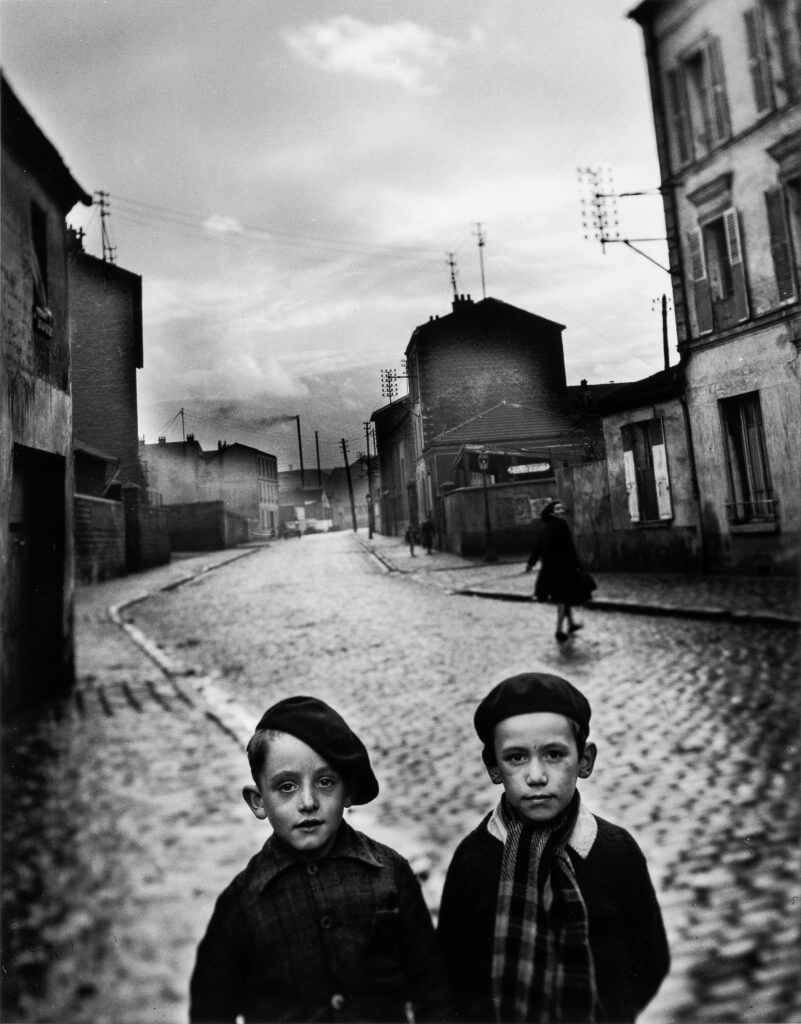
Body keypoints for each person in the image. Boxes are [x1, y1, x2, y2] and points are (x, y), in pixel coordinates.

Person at [189, 695, 452, 1023]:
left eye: (325, 782)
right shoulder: (243, 901)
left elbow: (432, 990)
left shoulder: (390, 873)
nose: (308, 802)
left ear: (348, 791)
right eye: (286, 787)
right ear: (258, 801)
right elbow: (211, 1008)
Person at [438, 672, 669, 1024]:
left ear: (585, 760)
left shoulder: (616, 852)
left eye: (554, 754)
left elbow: (650, 959)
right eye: (516, 758)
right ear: (493, 768)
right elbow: (453, 974)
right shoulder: (474, 860)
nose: (536, 775)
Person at [525, 499, 586, 644]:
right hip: (562, 569)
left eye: (561, 509)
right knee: (563, 599)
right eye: (557, 509)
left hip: (549, 570)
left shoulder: (546, 527)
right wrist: (578, 565)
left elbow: (537, 547)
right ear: (552, 512)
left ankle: (570, 625)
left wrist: (531, 563)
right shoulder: (561, 524)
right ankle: (559, 630)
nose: (560, 511)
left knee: (564, 597)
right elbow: (568, 547)